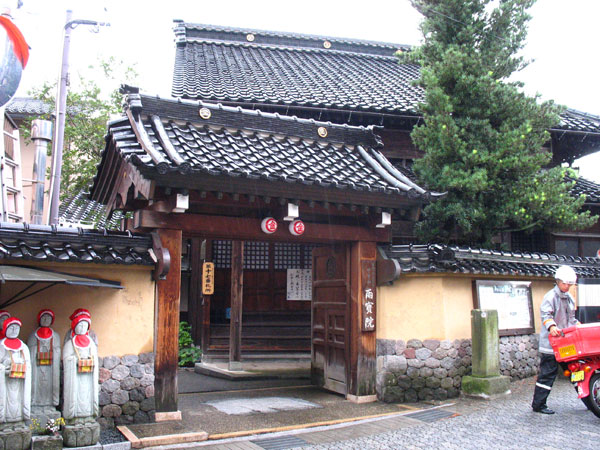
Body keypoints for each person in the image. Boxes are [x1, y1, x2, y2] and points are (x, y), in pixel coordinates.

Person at [532, 264, 578, 414]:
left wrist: (578, 326)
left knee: (575, 370)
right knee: (547, 374)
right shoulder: (550, 297)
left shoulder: (570, 298)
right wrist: (552, 326)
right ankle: (538, 405)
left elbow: (571, 318)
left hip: (566, 343)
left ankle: (589, 399)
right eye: (565, 283)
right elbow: (546, 315)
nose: (567, 286)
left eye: (569, 284)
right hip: (551, 344)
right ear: (558, 281)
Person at [62, 313, 98, 421]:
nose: (82, 328)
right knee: (76, 394)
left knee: (87, 395)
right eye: (80, 325)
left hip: (88, 376)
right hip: (75, 377)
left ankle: (88, 415)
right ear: (75, 326)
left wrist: (90, 360)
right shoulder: (70, 344)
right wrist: (74, 360)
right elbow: (66, 358)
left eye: (85, 325)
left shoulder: (91, 343)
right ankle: (74, 417)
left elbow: (95, 357)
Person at [27, 309, 60, 412]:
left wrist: (53, 352)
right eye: (44, 317)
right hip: (37, 367)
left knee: (49, 385)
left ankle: (49, 405)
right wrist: (37, 351)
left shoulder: (55, 336)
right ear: (39, 319)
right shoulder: (33, 335)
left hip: (50, 366)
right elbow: (29, 349)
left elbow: (58, 349)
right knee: (37, 384)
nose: (46, 320)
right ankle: (35, 404)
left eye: (49, 318)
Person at [0, 317, 31, 423]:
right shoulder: (1, 345)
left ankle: (19, 419)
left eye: (17, 328)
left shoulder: (24, 347)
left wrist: (23, 365)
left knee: (18, 399)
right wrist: (4, 367)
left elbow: (28, 364)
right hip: (6, 381)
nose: (14, 330)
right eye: (11, 327)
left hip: (20, 381)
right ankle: (5, 419)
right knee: (8, 400)